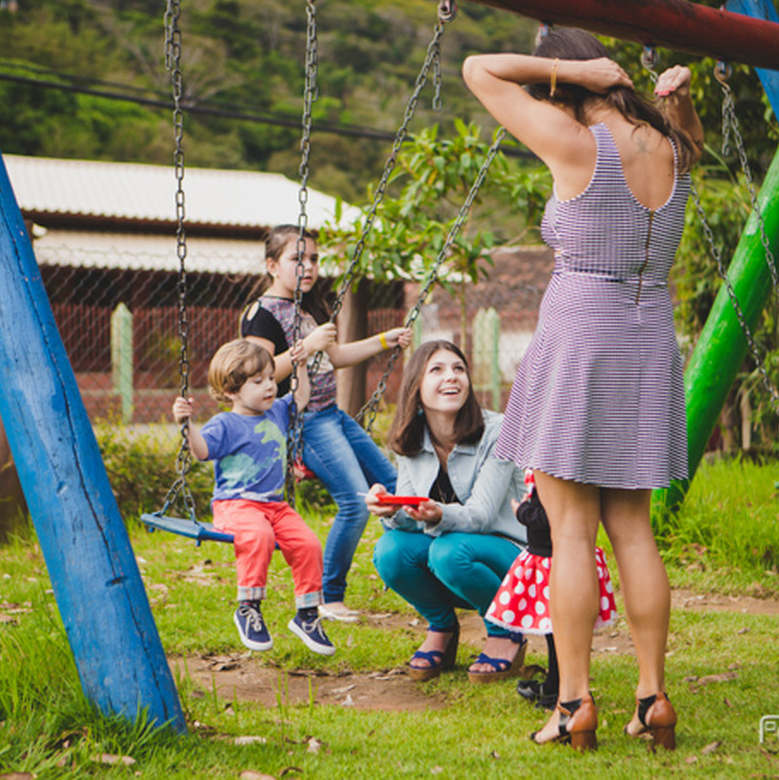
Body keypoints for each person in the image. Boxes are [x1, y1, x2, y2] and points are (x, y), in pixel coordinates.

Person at [462, 27, 704, 751]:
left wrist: (569, 67)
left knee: (570, 531)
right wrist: (681, 98)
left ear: (559, 88)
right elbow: (691, 134)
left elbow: (479, 68)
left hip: (582, 335)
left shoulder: (576, 144)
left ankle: (572, 702)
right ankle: (653, 695)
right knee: (634, 528)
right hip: (648, 334)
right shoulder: (672, 144)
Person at [241, 224, 413, 623]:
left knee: (392, 488)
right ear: (272, 265)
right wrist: (305, 348)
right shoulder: (261, 314)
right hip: (303, 421)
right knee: (355, 501)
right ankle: (327, 597)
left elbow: (333, 356)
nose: (309, 266)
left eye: (314, 258)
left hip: (332, 414)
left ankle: (409, 569)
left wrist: (385, 340)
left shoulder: (309, 307)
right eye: (297, 259)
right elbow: (256, 372)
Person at [366, 340, 527, 683]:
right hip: (452, 551)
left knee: (450, 550)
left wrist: (438, 515)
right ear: (416, 387)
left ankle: (504, 630)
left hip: (511, 552)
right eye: (436, 370)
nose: (451, 377)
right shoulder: (410, 439)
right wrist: (390, 510)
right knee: (390, 551)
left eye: (458, 369)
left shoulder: (498, 432)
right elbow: (409, 519)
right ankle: (442, 625)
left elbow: (482, 516)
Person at [172, 338, 335, 656]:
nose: (269, 386)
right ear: (232, 391)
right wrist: (186, 424)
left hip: (275, 505)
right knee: (258, 536)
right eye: (257, 381)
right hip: (236, 505)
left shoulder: (276, 411)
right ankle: (248, 607)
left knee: (309, 544)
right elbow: (202, 451)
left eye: (271, 378)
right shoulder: (226, 423)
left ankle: (307, 614)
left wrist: (300, 363)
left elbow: (300, 397)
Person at [485, 470, 617, 710]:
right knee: (554, 633)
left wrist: (523, 512)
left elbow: (556, 516)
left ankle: (559, 693)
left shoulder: (554, 464)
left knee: (558, 631)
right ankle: (556, 684)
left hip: (554, 563)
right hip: (555, 560)